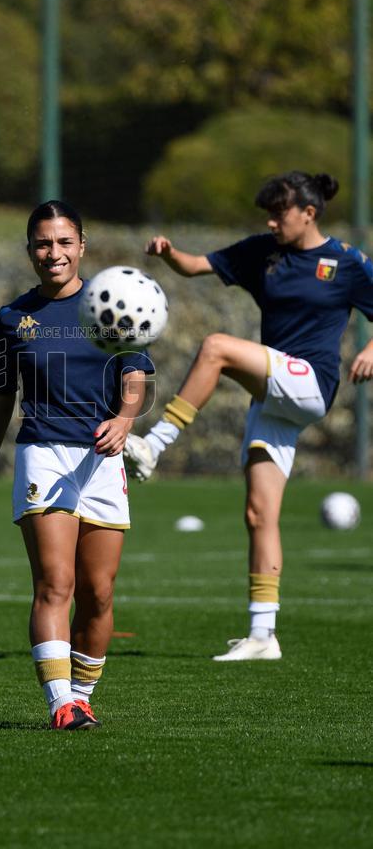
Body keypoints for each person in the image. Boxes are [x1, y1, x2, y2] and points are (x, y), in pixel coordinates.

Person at [123, 171, 373, 661]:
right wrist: (169, 252)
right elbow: (197, 265)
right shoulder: (265, 251)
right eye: (269, 212)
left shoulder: (345, 262)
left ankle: (154, 444)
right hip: (275, 395)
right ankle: (263, 636)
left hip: (310, 382)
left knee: (216, 348)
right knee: (259, 514)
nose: (271, 220)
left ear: (310, 212)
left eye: (280, 212)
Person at [0, 201, 153, 729]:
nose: (54, 253)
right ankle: (60, 703)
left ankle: (83, 694)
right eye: (43, 243)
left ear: (82, 246)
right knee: (55, 584)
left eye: (64, 242)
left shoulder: (111, 305)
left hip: (100, 461)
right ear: (30, 250)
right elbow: (1, 393)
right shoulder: (13, 317)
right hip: (42, 454)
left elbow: (136, 376)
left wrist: (125, 419)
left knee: (99, 594)